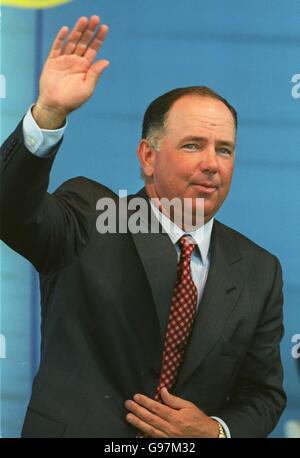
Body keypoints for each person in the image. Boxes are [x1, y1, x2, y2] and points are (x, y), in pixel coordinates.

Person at [0, 15, 286, 438]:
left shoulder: (260, 270)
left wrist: (217, 430)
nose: (212, 163)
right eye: (193, 145)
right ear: (147, 157)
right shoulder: (91, 213)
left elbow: (264, 395)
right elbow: (10, 211)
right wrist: (49, 113)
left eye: (224, 149)